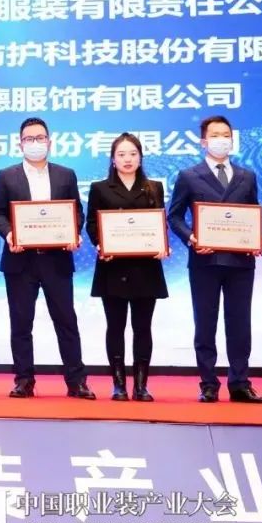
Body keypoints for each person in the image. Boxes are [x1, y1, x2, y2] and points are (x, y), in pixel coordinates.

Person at [0, 117, 95, 400]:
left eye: (40, 138)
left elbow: (77, 211)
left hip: (56, 259)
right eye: (29, 139)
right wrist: (10, 234)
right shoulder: (5, 176)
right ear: (20, 143)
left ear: (50, 141)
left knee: (66, 321)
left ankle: (76, 381)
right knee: (21, 323)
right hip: (20, 260)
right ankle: (24, 380)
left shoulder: (65, 175)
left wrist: (73, 232)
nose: (35, 143)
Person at [168, 115, 262, 404]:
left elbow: (252, 215)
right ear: (203, 141)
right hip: (205, 262)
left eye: (226, 135)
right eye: (215, 135)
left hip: (240, 263)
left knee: (240, 324)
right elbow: (174, 216)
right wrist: (191, 238)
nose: (221, 140)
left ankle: (240, 383)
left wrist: (257, 239)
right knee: (205, 324)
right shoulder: (189, 176)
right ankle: (208, 383)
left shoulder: (247, 176)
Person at [85, 133, 168, 402]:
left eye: (133, 153)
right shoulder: (100, 188)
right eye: (121, 154)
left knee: (143, 327)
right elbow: (92, 224)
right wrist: (101, 244)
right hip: (113, 267)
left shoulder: (154, 187)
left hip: (146, 268)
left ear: (141, 157)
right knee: (115, 326)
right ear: (113, 159)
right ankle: (118, 385)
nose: (127, 159)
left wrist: (161, 244)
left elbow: (160, 223)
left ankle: (141, 386)